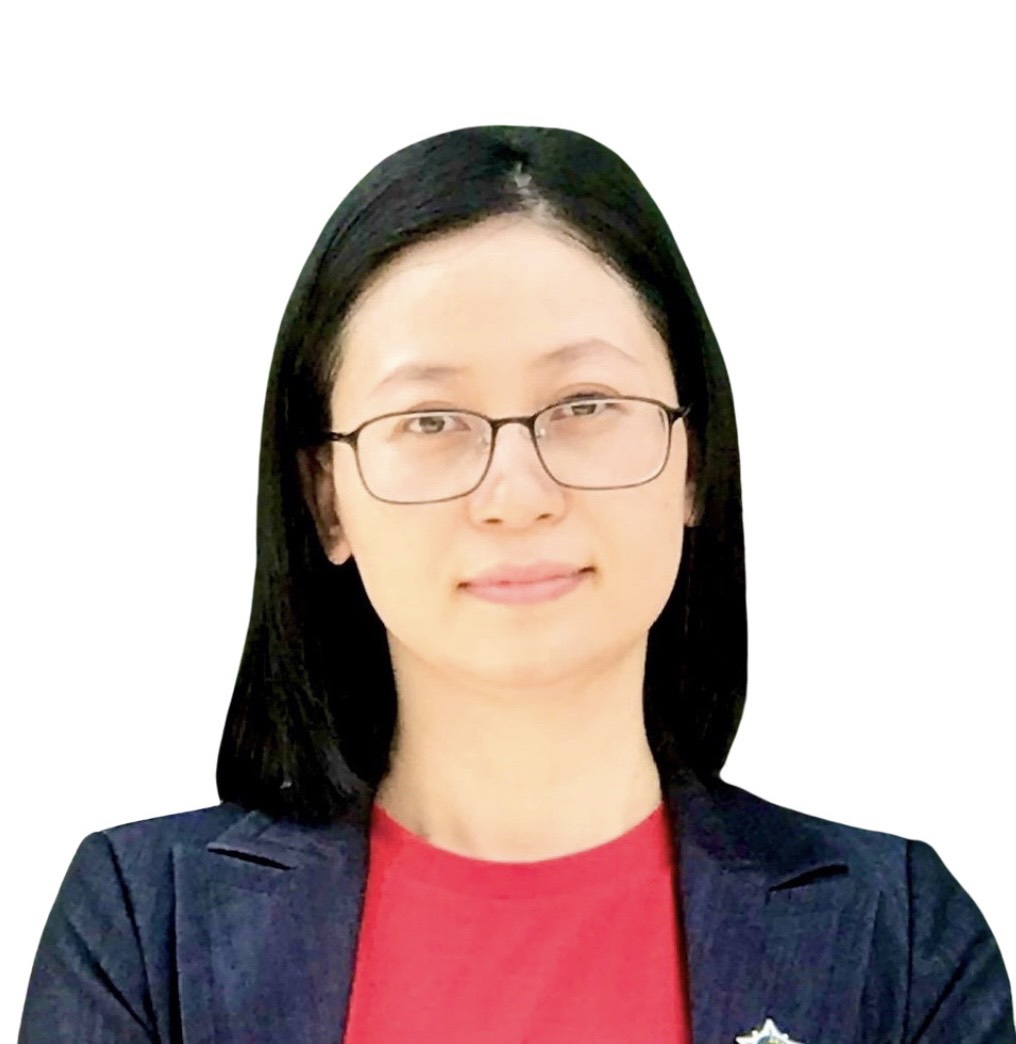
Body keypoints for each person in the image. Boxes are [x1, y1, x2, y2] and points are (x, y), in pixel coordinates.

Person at [18, 124, 1015, 1043]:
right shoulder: (146, 931)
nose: (516, 495)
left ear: (694, 462)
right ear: (326, 498)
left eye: (585, 404)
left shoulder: (894, 940)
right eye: (428, 421)